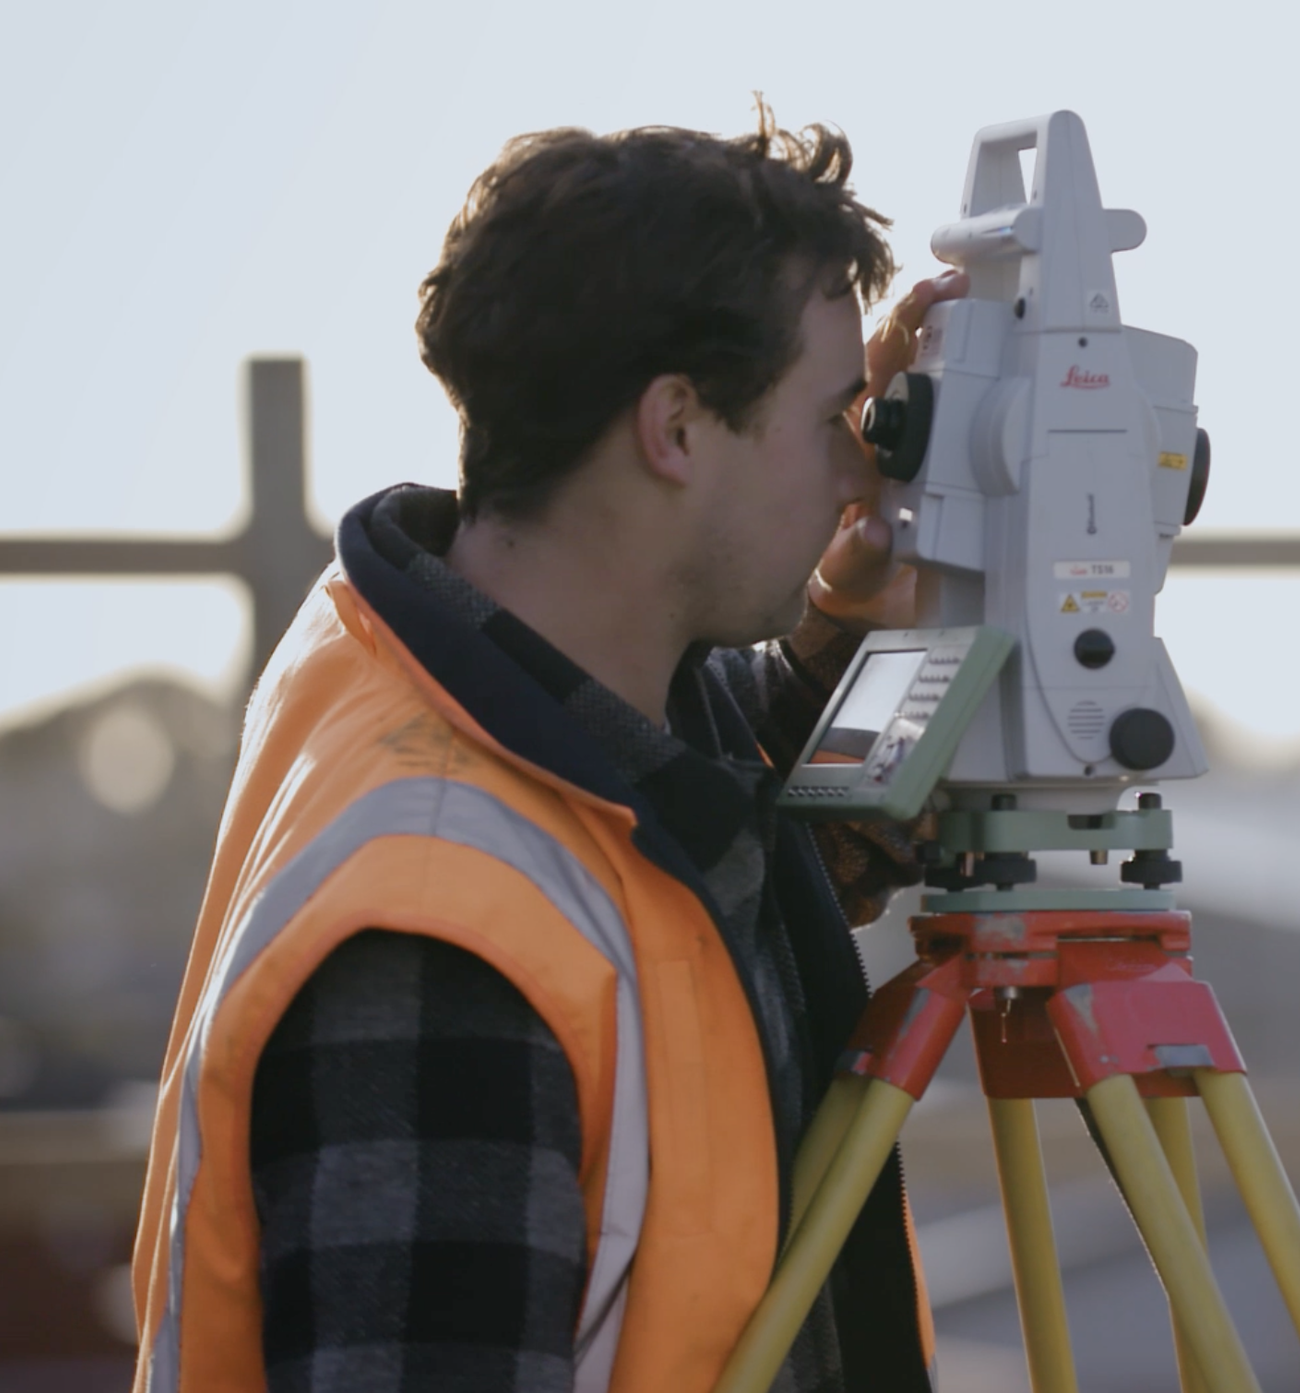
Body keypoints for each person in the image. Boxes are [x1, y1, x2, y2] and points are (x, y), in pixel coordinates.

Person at [130, 109, 967, 1393]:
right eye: (834, 418)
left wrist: (879, 593)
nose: (862, 475)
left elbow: (772, 860)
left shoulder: (500, 700)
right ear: (676, 427)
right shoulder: (437, 933)